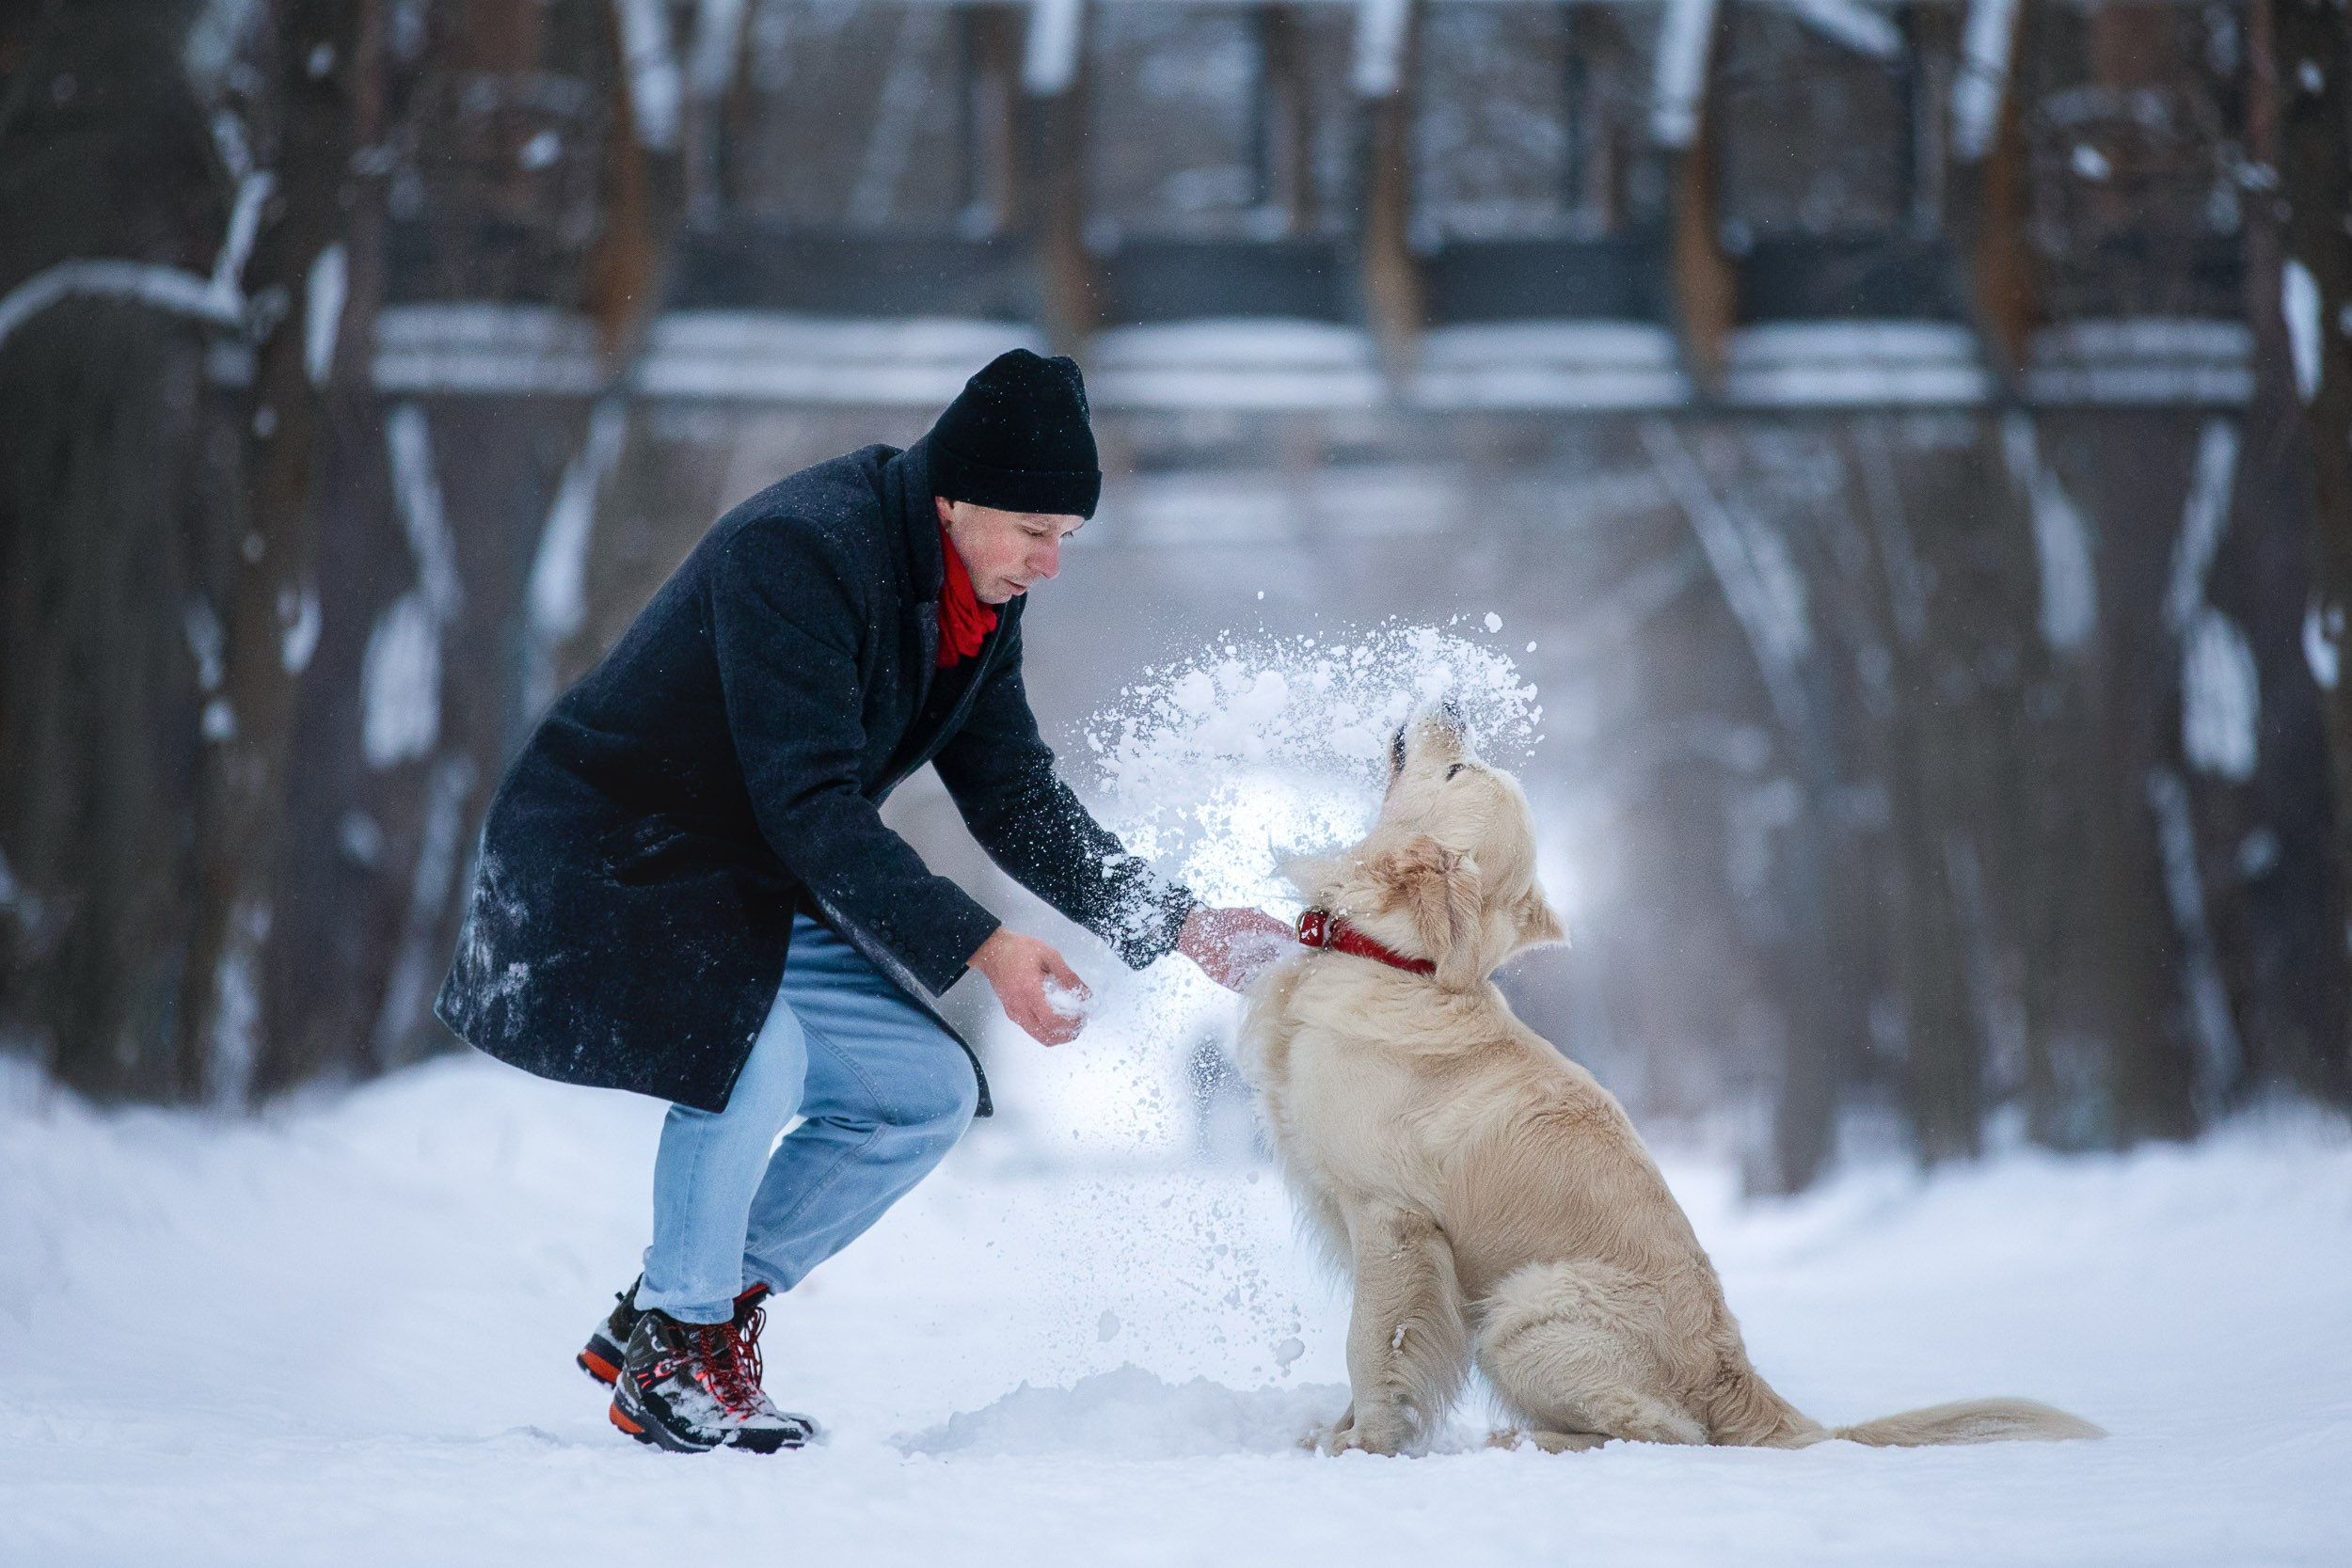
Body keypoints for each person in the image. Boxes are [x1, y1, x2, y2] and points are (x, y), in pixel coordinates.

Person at [434, 350, 1290, 1453]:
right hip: (611, 855)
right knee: (754, 1054)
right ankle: (678, 1354)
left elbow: (1013, 794)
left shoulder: (973, 598)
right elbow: (809, 803)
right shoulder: (798, 552)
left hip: (742, 878)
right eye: (1033, 529)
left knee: (922, 1091)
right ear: (955, 496)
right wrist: (981, 944)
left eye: (1065, 537)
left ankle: (683, 1308)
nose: (1049, 561)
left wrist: (1175, 920)